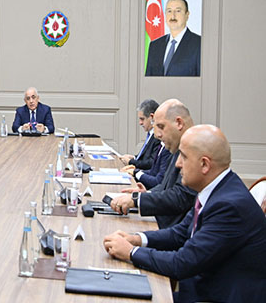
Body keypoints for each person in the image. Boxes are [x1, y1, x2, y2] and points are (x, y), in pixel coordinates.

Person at [104, 125, 266, 303]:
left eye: (184, 156)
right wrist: (136, 239)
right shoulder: (216, 188)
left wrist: (131, 252)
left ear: (204, 164)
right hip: (201, 291)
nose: (177, 164)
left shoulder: (229, 206)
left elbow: (182, 263)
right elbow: (180, 233)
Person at [110, 99, 197, 229]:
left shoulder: (195, 149)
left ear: (179, 123)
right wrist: (147, 194)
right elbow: (166, 186)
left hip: (172, 229)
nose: (156, 135)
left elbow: (180, 196)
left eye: (161, 127)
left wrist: (137, 200)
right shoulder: (178, 147)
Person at [145, 0, 201, 76]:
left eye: (178, 11)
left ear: (187, 15)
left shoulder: (199, 44)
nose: (173, 16)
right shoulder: (155, 45)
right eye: (169, 11)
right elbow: (148, 80)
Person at [119, 99, 161, 170]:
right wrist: (134, 157)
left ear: (152, 117)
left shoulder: (158, 137)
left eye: (142, 119)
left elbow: (151, 163)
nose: (140, 123)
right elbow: (145, 157)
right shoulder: (150, 134)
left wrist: (130, 162)